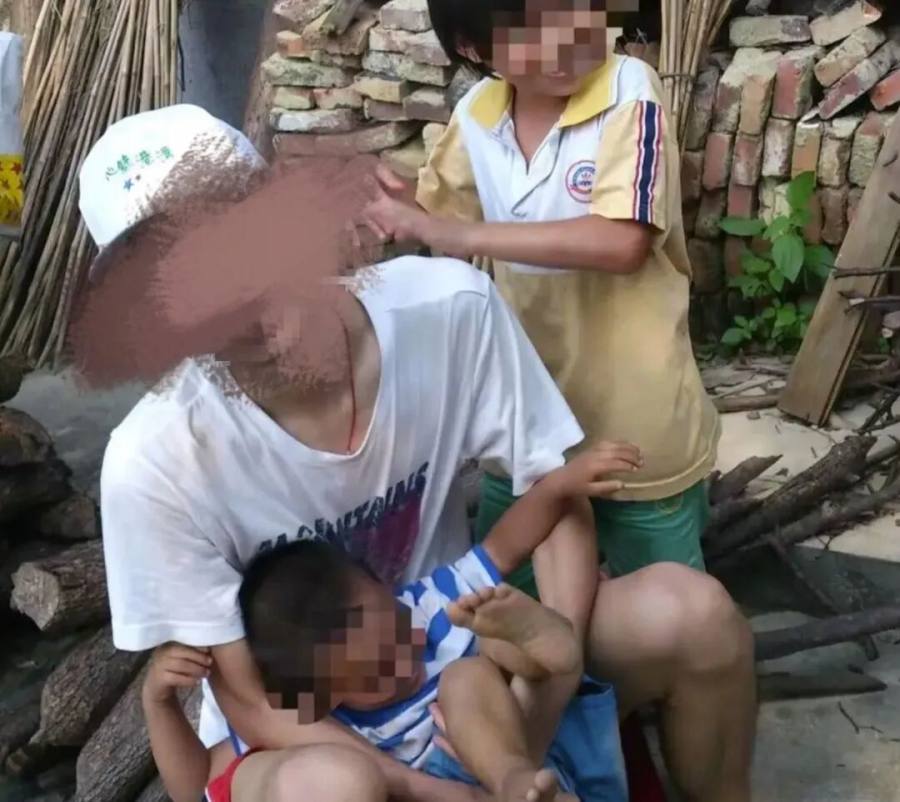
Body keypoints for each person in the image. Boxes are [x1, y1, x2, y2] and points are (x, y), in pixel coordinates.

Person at [76, 105, 755, 802]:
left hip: (454, 655)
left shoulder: (449, 310)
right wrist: (430, 789)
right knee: (332, 789)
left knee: (691, 615)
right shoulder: (155, 463)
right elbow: (249, 697)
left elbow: (554, 504)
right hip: (313, 730)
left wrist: (541, 693)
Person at [361, 0, 720, 585]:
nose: (567, 44)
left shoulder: (629, 89)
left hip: (636, 420)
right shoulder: (478, 113)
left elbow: (622, 242)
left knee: (671, 603)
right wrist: (406, 214)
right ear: (474, 48)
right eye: (531, 33)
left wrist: (453, 232)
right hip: (524, 419)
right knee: (508, 603)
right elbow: (440, 226)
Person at [141, 441, 642, 802]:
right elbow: (197, 782)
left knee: (467, 674)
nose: (406, 664)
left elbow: (506, 542)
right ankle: (544, 654)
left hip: (514, 763)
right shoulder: (317, 723)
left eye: (400, 631)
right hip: (430, 789)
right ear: (323, 696)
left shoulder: (434, 603)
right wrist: (159, 704)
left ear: (385, 587)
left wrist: (558, 486)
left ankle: (517, 762)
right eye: (376, 675)